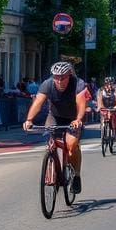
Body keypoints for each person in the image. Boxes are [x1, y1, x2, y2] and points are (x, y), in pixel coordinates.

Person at [23, 61, 89, 194]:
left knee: (71, 146)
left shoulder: (78, 84)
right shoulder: (48, 84)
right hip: (55, 116)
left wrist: (78, 119)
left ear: (69, 75)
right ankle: (52, 164)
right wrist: (29, 120)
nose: (59, 80)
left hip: (73, 118)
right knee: (50, 139)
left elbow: (81, 104)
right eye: (56, 77)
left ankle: (76, 175)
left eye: (62, 77)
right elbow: (38, 102)